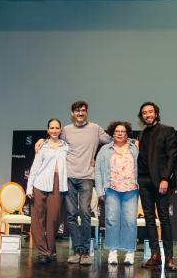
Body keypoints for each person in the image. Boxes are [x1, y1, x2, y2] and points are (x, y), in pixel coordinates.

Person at [35, 101, 111, 265]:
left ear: (87, 112)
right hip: (68, 178)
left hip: (86, 177)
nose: (80, 113)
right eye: (77, 111)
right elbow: (53, 139)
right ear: (72, 113)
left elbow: (113, 140)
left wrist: (133, 141)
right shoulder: (66, 130)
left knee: (84, 213)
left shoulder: (95, 128)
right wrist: (41, 139)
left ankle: (85, 252)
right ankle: (77, 251)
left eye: (83, 110)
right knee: (70, 216)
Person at [137, 102, 177, 271]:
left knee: (164, 218)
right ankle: (155, 255)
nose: (147, 115)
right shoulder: (142, 133)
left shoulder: (167, 130)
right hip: (144, 181)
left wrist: (165, 178)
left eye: (150, 112)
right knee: (149, 219)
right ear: (142, 116)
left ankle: (169, 258)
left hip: (160, 181)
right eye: (144, 113)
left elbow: (172, 156)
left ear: (156, 113)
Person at [95, 121, 139, 265]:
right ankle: (112, 251)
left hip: (131, 190)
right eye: (117, 131)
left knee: (130, 221)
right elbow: (98, 171)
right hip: (111, 189)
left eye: (123, 131)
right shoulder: (104, 150)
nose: (120, 133)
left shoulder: (134, 149)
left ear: (127, 134)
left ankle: (129, 252)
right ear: (112, 134)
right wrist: (100, 190)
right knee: (111, 221)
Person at [26, 119, 69, 264]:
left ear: (60, 129)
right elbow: (35, 167)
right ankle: (42, 251)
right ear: (47, 130)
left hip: (58, 184)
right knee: (38, 220)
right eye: (52, 128)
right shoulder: (42, 146)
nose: (54, 130)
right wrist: (29, 186)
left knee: (54, 218)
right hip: (40, 183)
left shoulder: (66, 146)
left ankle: (51, 250)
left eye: (57, 128)